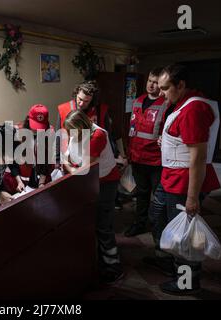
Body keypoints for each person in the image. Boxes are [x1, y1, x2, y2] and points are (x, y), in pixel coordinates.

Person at [145, 64, 221, 295]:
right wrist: (168, 141)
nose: (160, 93)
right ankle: (169, 261)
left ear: (181, 85)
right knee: (158, 216)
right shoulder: (184, 103)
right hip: (172, 177)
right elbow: (184, 140)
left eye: (166, 88)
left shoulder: (193, 109)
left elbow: (197, 157)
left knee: (184, 234)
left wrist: (191, 198)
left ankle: (187, 281)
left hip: (183, 181)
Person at [63, 110, 124, 284]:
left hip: (105, 183)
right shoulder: (77, 132)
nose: (70, 135)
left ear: (83, 126)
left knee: (104, 226)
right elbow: (67, 158)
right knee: (93, 223)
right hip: (89, 183)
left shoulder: (97, 136)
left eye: (72, 131)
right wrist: (73, 168)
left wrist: (72, 169)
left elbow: (86, 170)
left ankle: (114, 268)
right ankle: (98, 262)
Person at [56, 81, 128, 206]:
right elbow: (58, 136)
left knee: (99, 206)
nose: (81, 103)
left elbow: (108, 136)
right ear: (76, 94)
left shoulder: (100, 114)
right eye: (79, 99)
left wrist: (117, 154)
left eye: (86, 101)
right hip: (74, 160)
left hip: (96, 168)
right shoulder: (63, 109)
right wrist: (58, 159)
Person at [124, 67, 169, 237]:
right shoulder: (137, 101)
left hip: (156, 160)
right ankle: (139, 223)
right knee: (141, 195)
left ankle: (159, 228)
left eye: (156, 82)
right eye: (150, 81)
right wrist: (129, 154)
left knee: (159, 197)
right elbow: (132, 130)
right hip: (137, 158)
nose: (151, 85)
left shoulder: (166, 104)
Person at [4, 104, 55, 192]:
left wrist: (41, 183)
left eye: (41, 126)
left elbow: (47, 159)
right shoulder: (17, 132)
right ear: (28, 119)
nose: (37, 130)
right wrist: (19, 181)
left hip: (41, 174)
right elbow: (12, 161)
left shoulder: (49, 131)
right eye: (35, 126)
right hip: (20, 178)